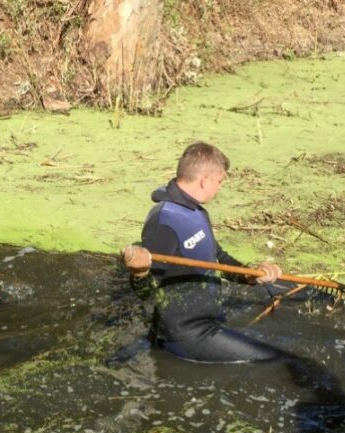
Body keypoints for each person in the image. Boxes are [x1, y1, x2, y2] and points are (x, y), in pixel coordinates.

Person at [123, 141, 288, 363]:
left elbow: (218, 257)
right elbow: (146, 292)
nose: (219, 187)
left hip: (209, 320)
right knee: (276, 360)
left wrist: (251, 274)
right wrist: (139, 272)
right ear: (204, 180)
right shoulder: (163, 222)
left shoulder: (197, 211)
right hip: (187, 334)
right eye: (219, 181)